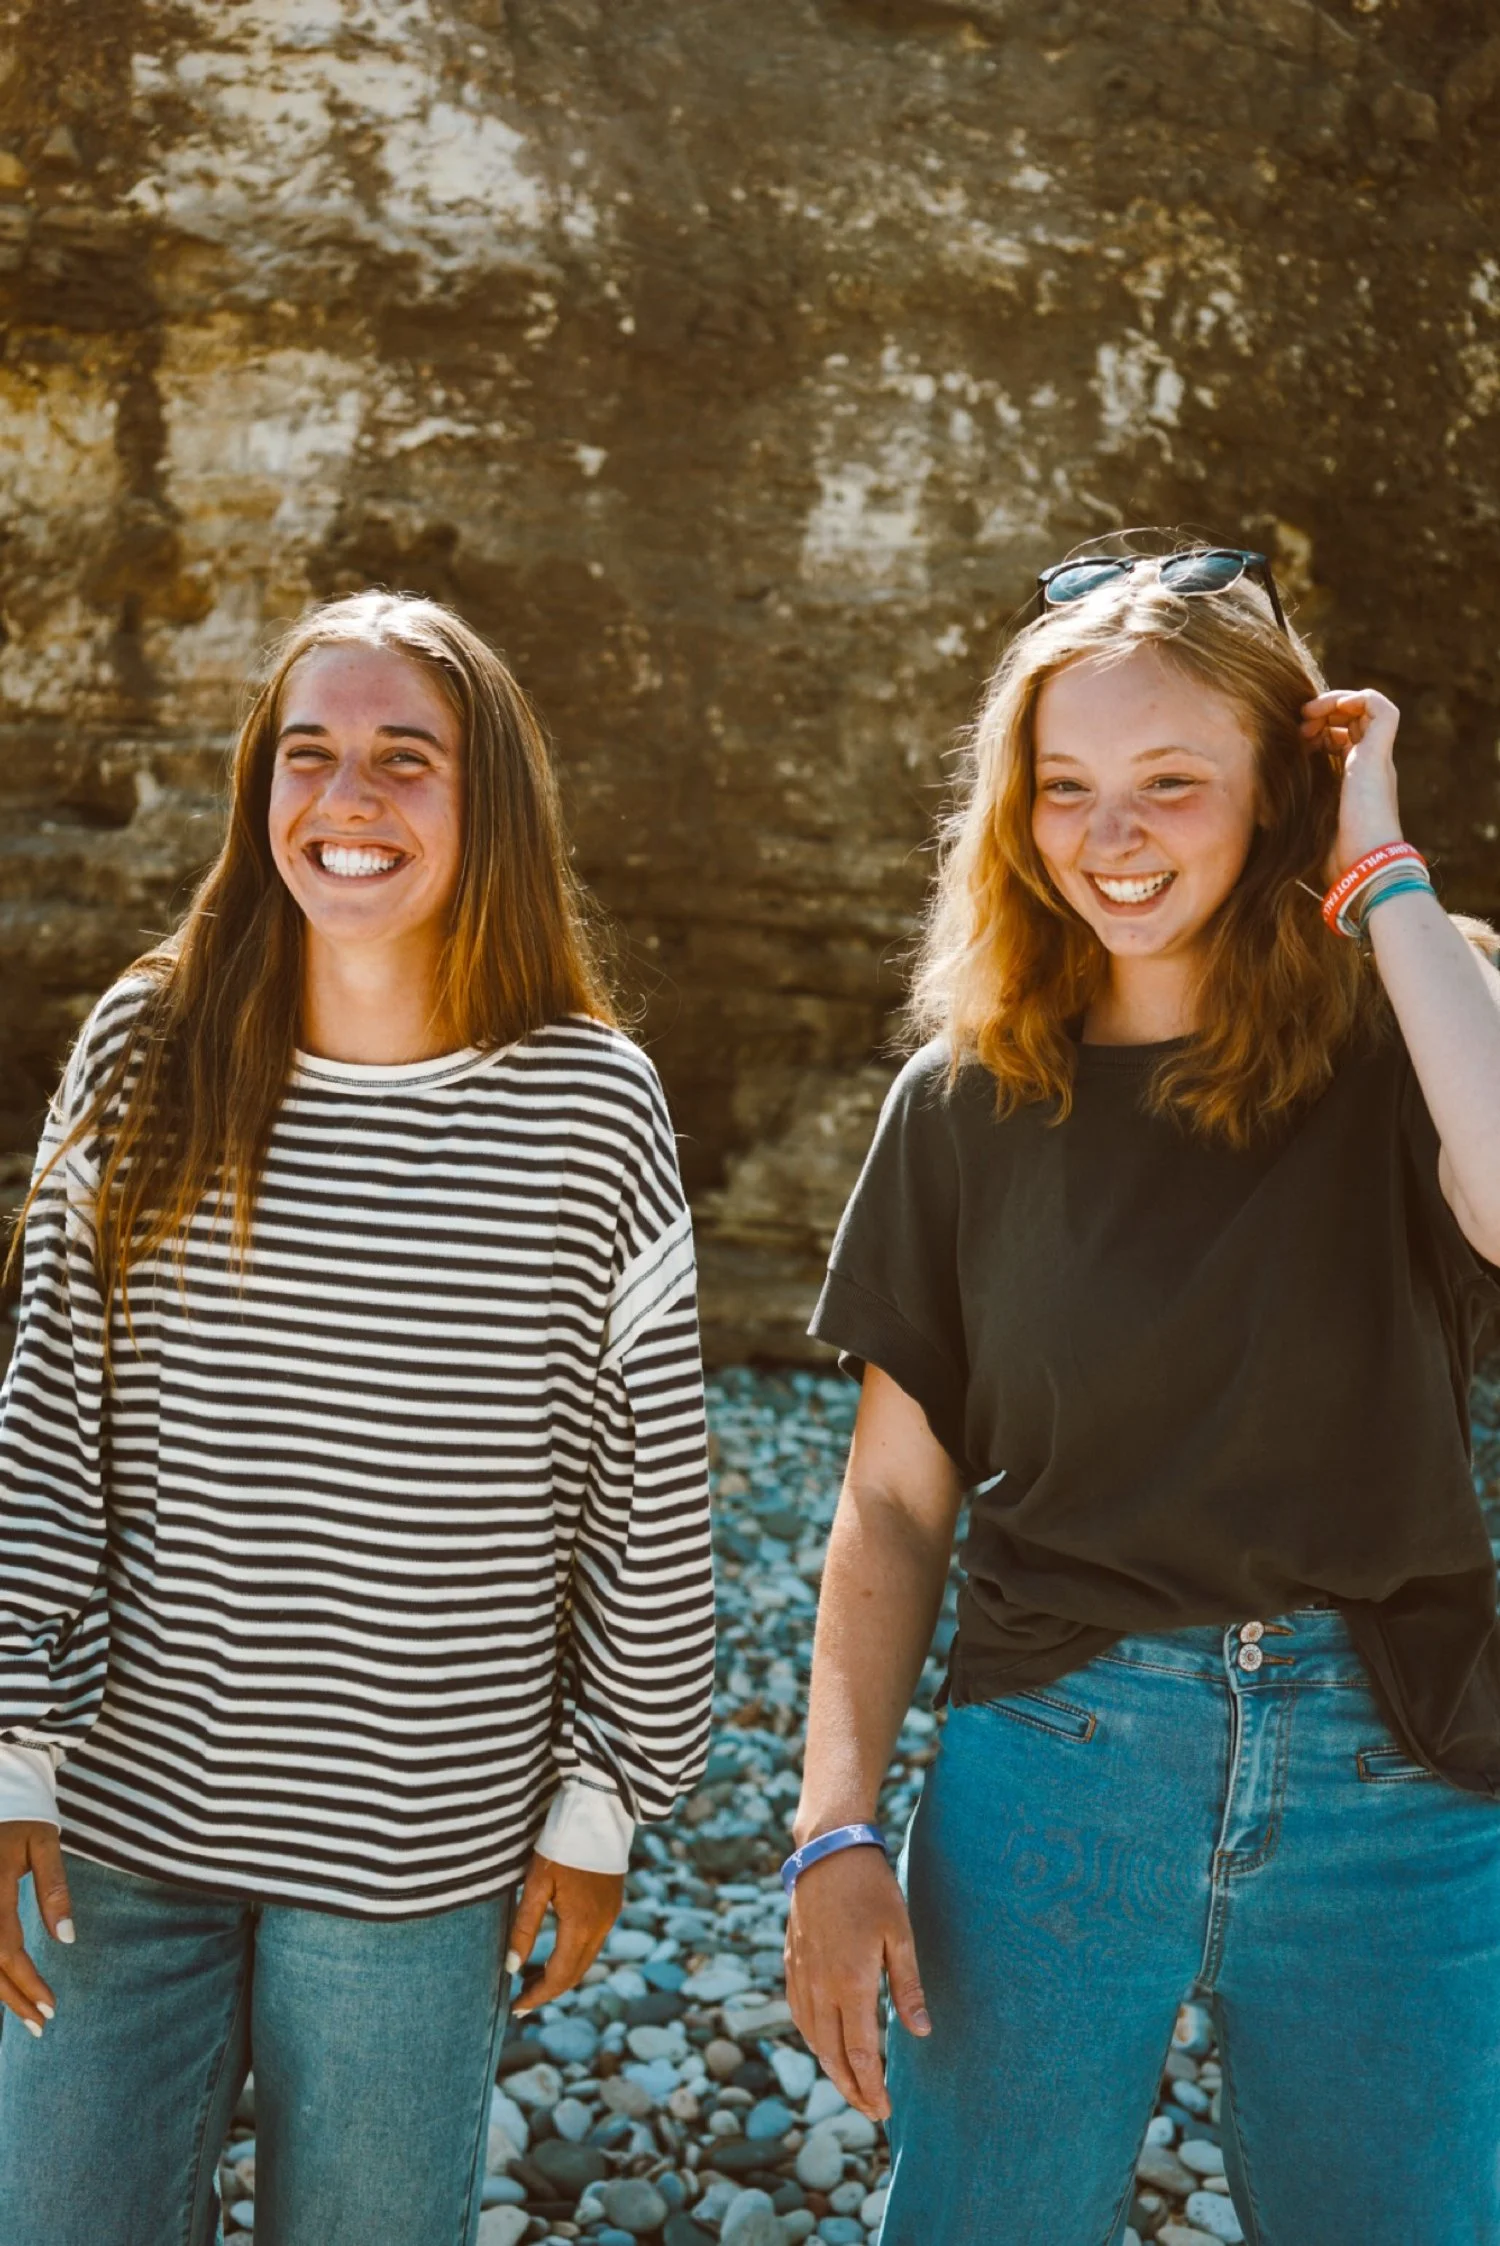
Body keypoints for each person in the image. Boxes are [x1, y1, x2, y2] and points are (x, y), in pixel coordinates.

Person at [782, 545, 1500, 2246]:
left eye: (1173, 784)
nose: (1113, 839)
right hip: (1060, 1760)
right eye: (1066, 790)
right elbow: (892, 1498)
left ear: (1280, 791)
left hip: (1397, 1767)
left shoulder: (1416, 1009)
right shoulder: (959, 1105)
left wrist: (1381, 861)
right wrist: (834, 1826)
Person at [0, 591, 716, 2245]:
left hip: (420, 1843)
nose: (352, 798)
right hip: (122, 1815)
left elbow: (645, 1489)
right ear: (262, 794)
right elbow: (45, 1415)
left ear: (490, 806)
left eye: (409, 758)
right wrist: (12, 1755)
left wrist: (601, 1801)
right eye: (309, 754)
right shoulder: (146, 1050)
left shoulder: (591, 1106)